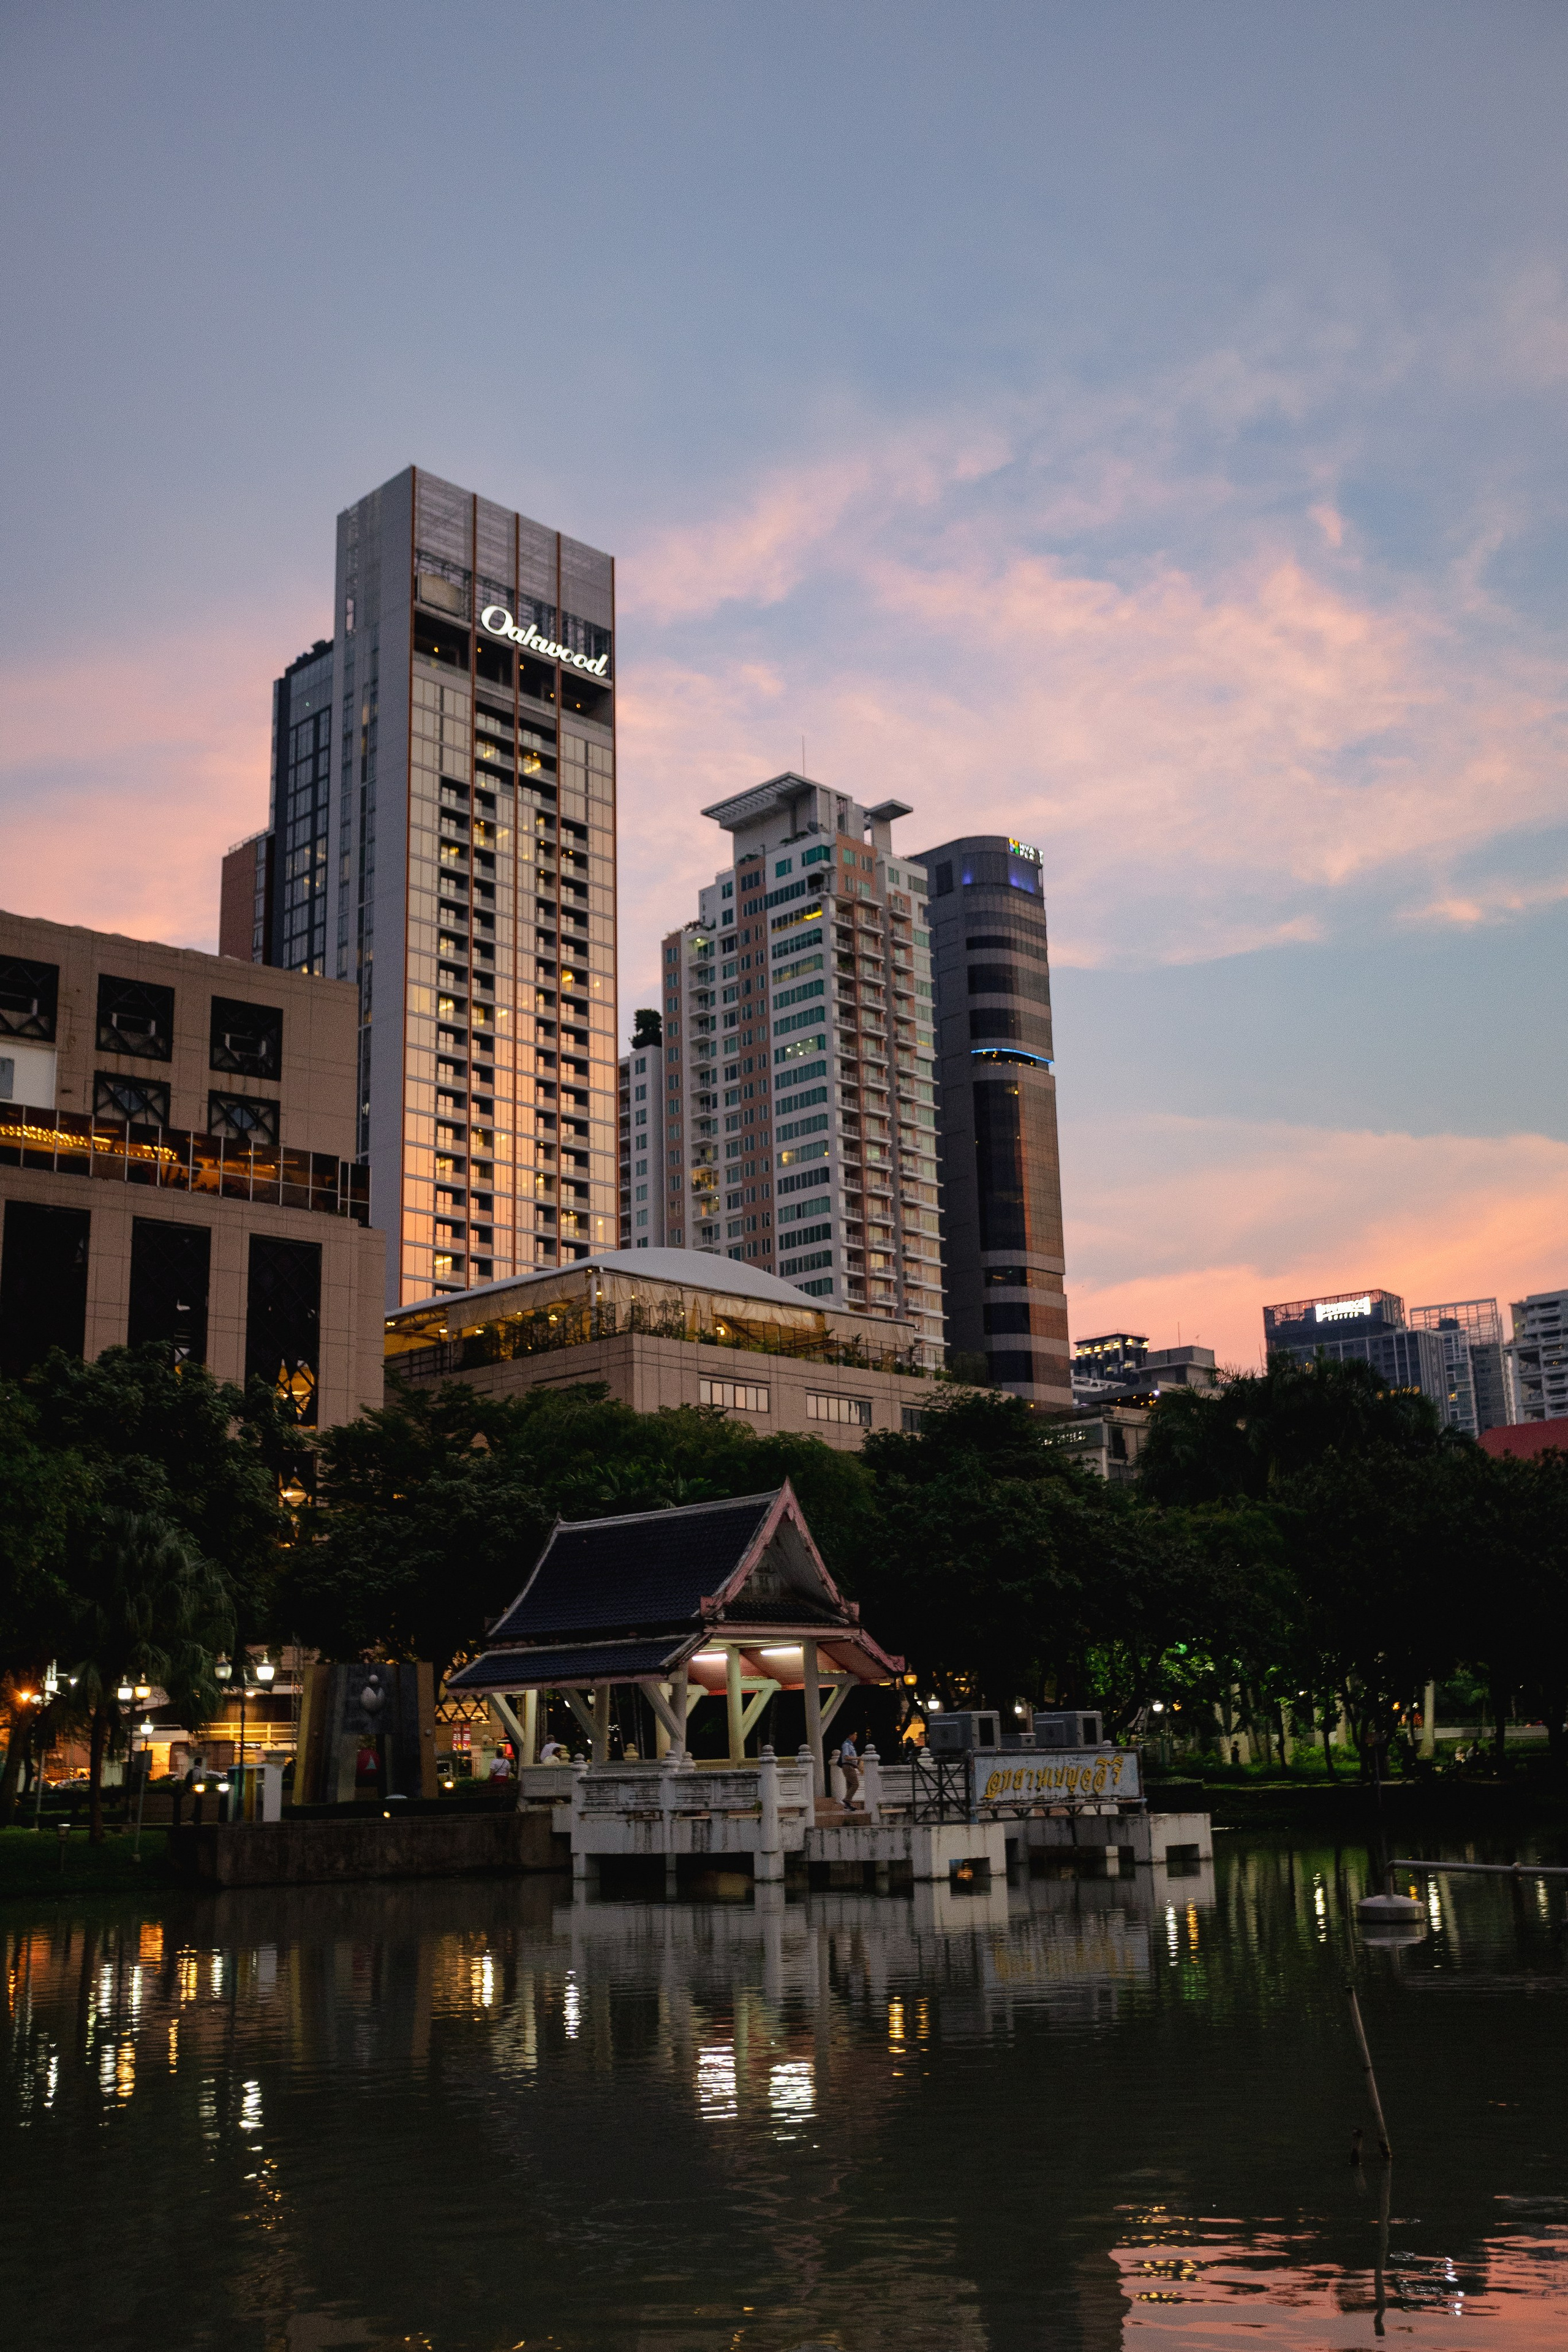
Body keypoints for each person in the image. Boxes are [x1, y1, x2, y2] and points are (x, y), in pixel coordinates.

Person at [838, 1735, 861, 1809]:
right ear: (850, 1736)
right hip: (848, 1766)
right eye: (855, 1735)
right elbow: (846, 1757)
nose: (856, 1737)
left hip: (850, 1766)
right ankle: (847, 1800)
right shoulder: (847, 1745)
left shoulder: (850, 1745)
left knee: (850, 1785)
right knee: (855, 1784)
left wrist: (857, 1766)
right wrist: (858, 1758)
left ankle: (847, 1805)